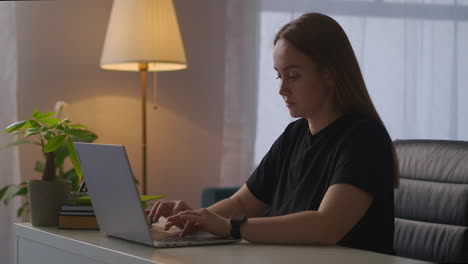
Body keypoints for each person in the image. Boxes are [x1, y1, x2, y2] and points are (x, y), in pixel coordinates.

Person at [148, 13, 399, 255]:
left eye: (293, 76)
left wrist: (230, 227)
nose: (282, 89)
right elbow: (243, 204)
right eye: (279, 75)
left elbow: (327, 226)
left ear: (329, 74)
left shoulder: (365, 139)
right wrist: (194, 219)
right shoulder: (295, 134)